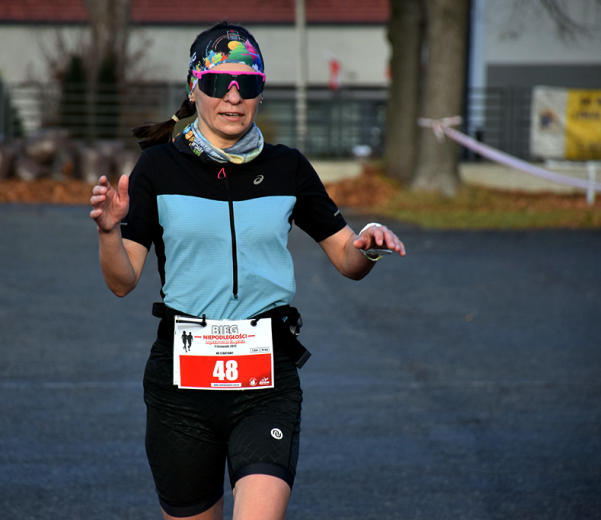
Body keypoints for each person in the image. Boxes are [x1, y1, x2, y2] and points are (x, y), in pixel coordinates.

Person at [90, 22, 406, 520]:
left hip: (266, 378)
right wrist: (110, 231)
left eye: (248, 84)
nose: (233, 97)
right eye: (219, 83)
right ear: (195, 88)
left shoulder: (288, 168)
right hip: (182, 382)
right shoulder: (157, 167)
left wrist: (367, 247)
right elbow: (121, 280)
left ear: (260, 93)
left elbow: (347, 257)